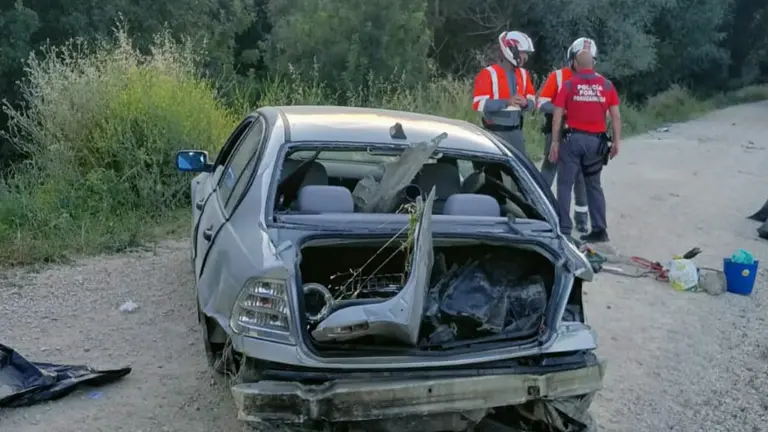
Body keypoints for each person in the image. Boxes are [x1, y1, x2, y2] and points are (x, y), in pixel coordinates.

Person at [549, 49, 621, 243]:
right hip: (596, 143)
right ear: (593, 65)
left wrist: (555, 142)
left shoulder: (569, 84)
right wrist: (616, 142)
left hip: (572, 140)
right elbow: (615, 116)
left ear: (575, 64)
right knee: (594, 185)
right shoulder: (606, 85)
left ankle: (564, 229)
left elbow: (557, 115)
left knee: (565, 184)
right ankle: (599, 230)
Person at [536, 37, 598, 234]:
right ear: (572, 58)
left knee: (581, 177)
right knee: (549, 172)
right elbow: (541, 103)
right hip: (557, 134)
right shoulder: (558, 77)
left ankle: (581, 219)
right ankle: (538, 211)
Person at [472, 31, 536, 154]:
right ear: (512, 50)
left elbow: (533, 102)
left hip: (517, 133)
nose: (526, 57)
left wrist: (526, 103)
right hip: (494, 133)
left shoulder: (524, 74)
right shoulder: (488, 73)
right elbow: (478, 104)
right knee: (493, 171)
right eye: (523, 53)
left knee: (520, 170)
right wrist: (506, 102)